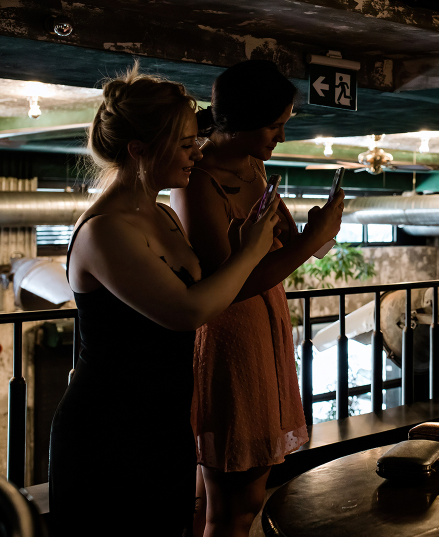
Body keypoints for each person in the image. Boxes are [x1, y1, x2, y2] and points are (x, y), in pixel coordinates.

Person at [48, 66, 279, 535]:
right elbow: (187, 311)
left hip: (165, 421)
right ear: (139, 150)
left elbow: (207, 286)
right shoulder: (105, 230)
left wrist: (242, 245)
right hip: (108, 429)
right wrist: (251, 252)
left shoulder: (162, 215)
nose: (198, 153)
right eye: (185, 143)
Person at [170, 60, 343, 537]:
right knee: (238, 503)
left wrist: (310, 233)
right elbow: (230, 284)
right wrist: (312, 242)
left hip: (266, 324)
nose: (282, 137)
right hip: (230, 337)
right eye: (274, 125)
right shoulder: (198, 182)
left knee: (225, 501)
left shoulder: (253, 165)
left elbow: (273, 249)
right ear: (241, 121)